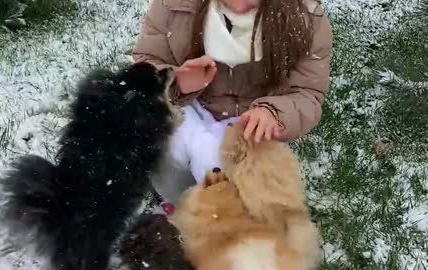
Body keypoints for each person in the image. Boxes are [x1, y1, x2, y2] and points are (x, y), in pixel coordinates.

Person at [133, 0, 333, 206]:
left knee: (227, 176)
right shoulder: (173, 5)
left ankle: (225, 221)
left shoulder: (305, 17)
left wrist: (274, 112)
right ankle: (177, 204)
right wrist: (176, 82)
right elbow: (147, 62)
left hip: (253, 119)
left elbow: (306, 92)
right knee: (166, 151)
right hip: (191, 106)